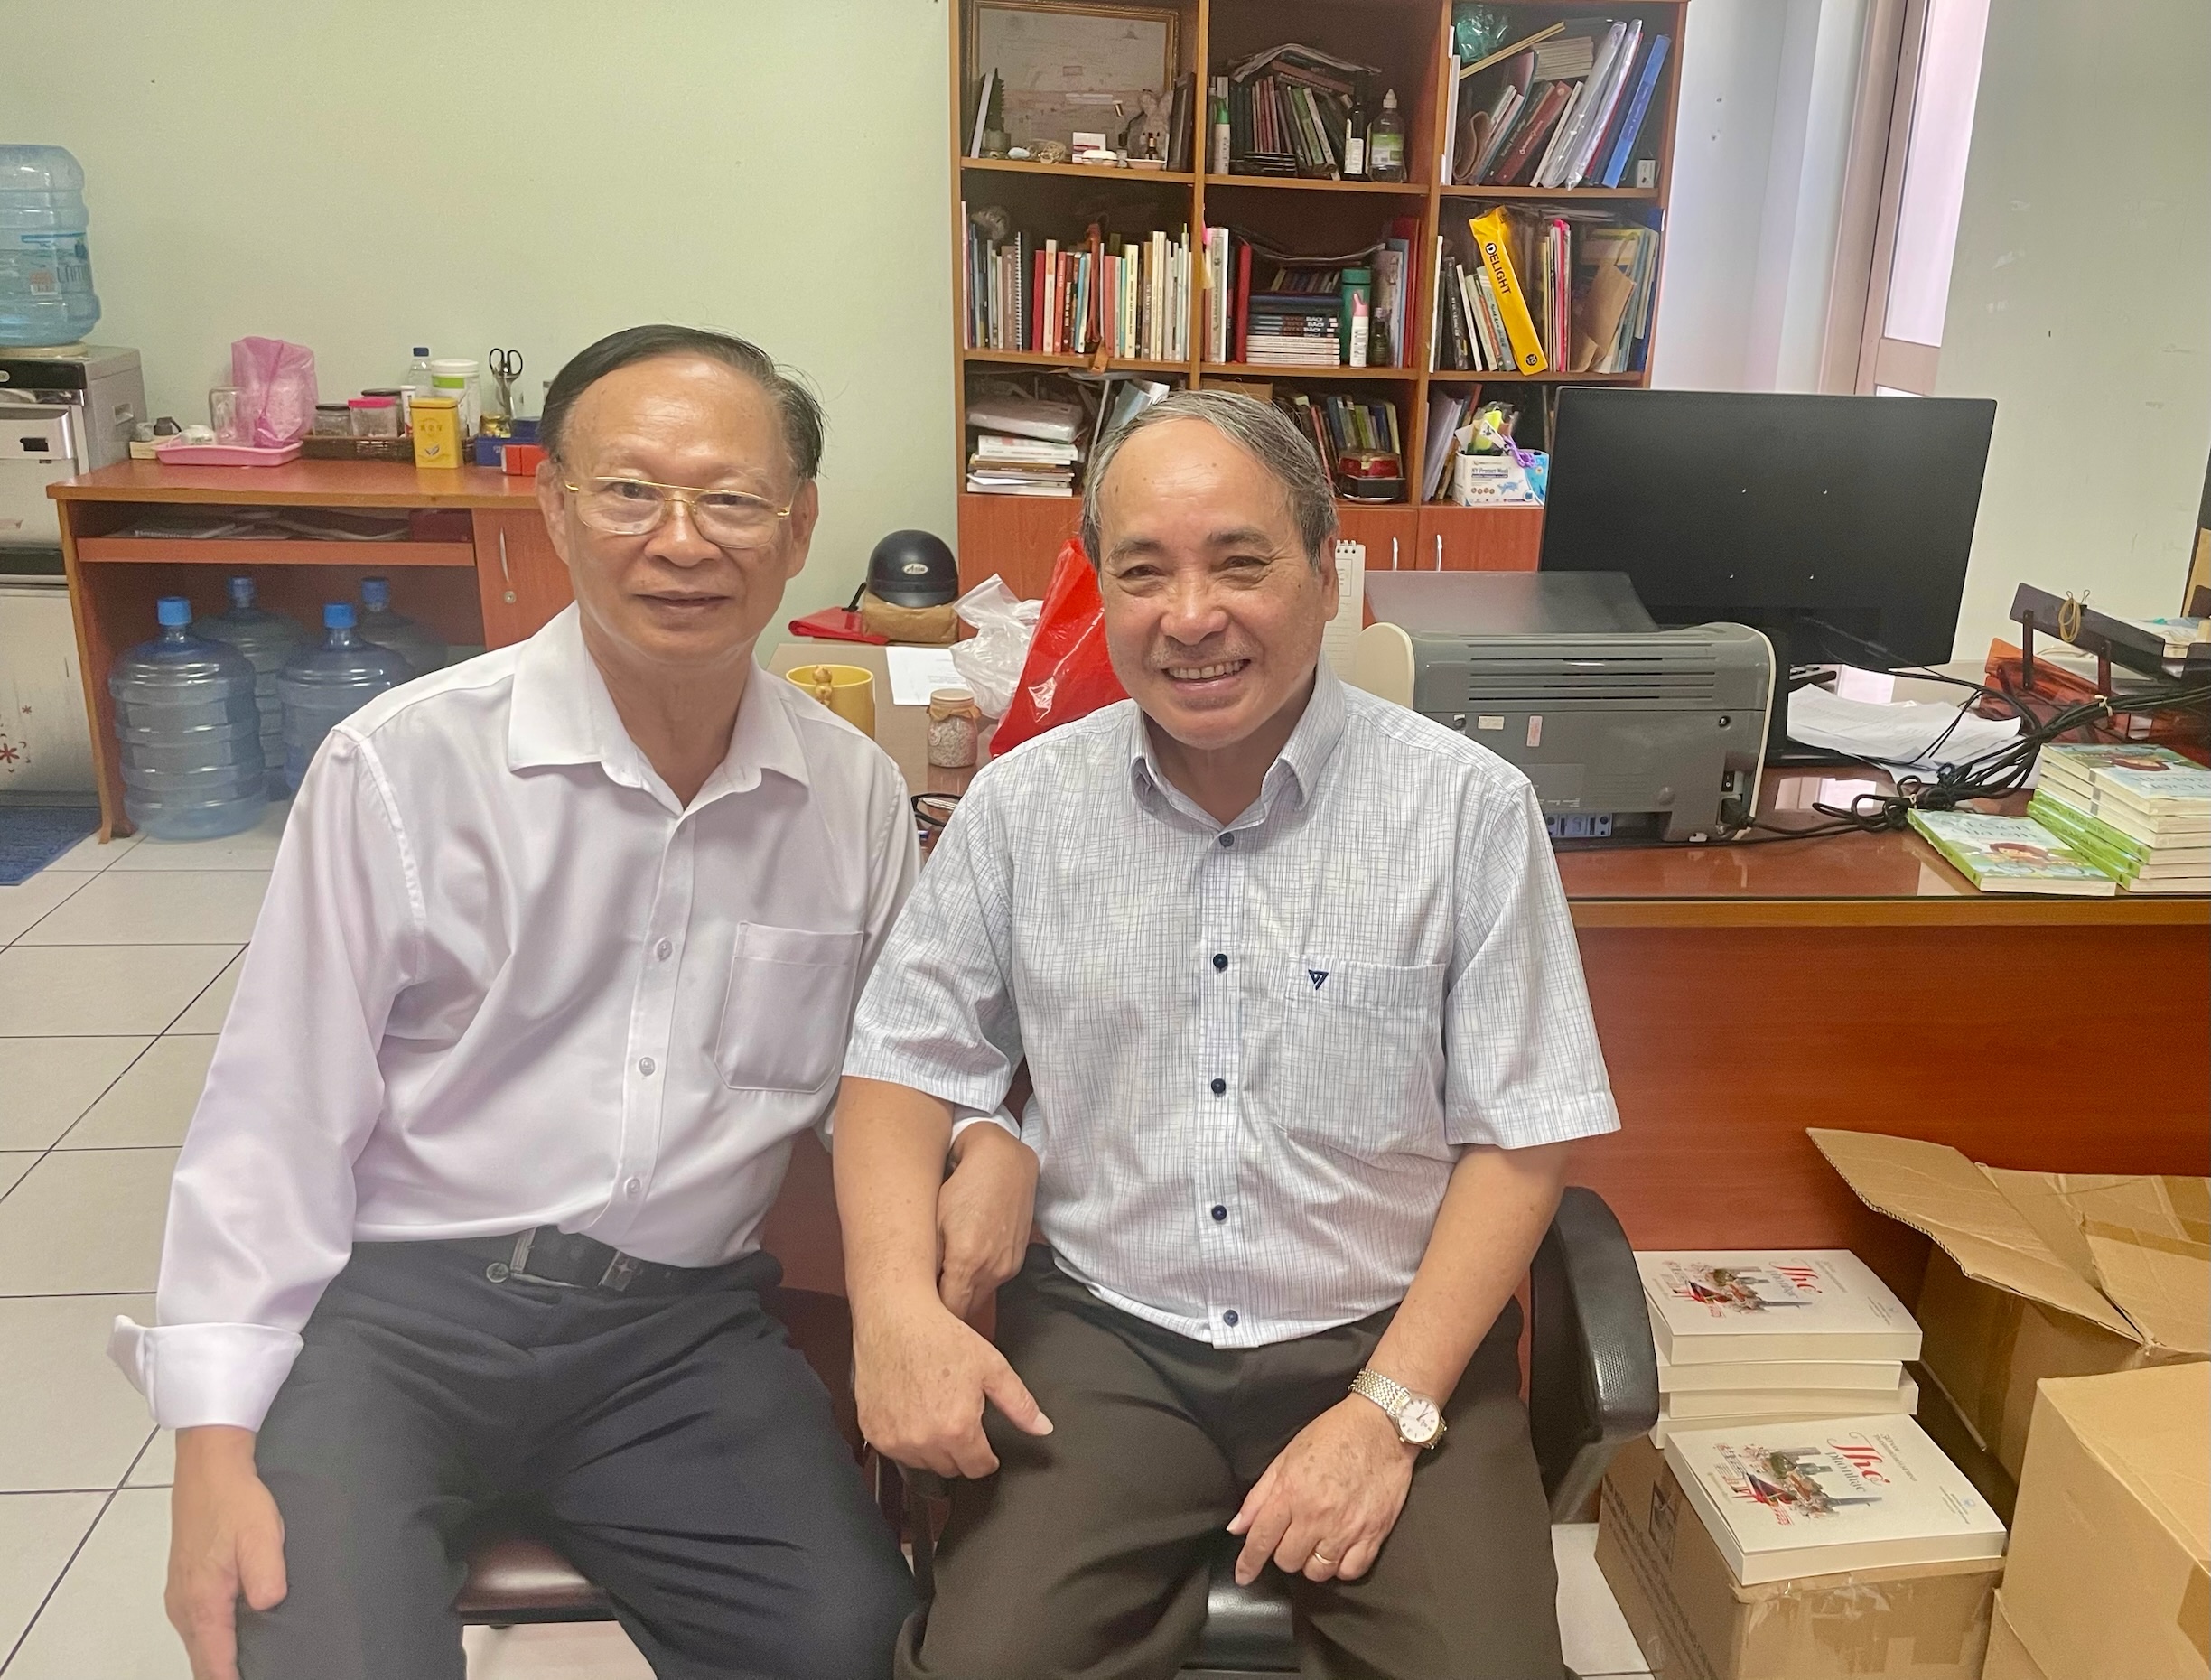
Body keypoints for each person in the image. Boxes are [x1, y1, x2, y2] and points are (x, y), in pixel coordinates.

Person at [112, 325, 923, 1680]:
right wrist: (211, 1443)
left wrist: (988, 1153)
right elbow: (274, 1116)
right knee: (314, 1652)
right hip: (396, 1320)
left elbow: (891, 1088)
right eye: (630, 492)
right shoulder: (404, 766)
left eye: (732, 499)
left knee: (856, 1643)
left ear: (799, 529)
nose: (681, 542)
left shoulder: (853, 796)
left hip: (679, 1335)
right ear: (553, 506)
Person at [836, 389, 1623, 1679]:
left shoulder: (1468, 811)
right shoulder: (1022, 806)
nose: (1190, 616)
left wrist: (1387, 1413)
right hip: (1107, 1338)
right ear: (1100, 591)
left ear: (1325, 574)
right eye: (1143, 571)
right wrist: (888, 1314)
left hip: (1386, 1335)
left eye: (1240, 563)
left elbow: (1521, 1138)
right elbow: (900, 1069)